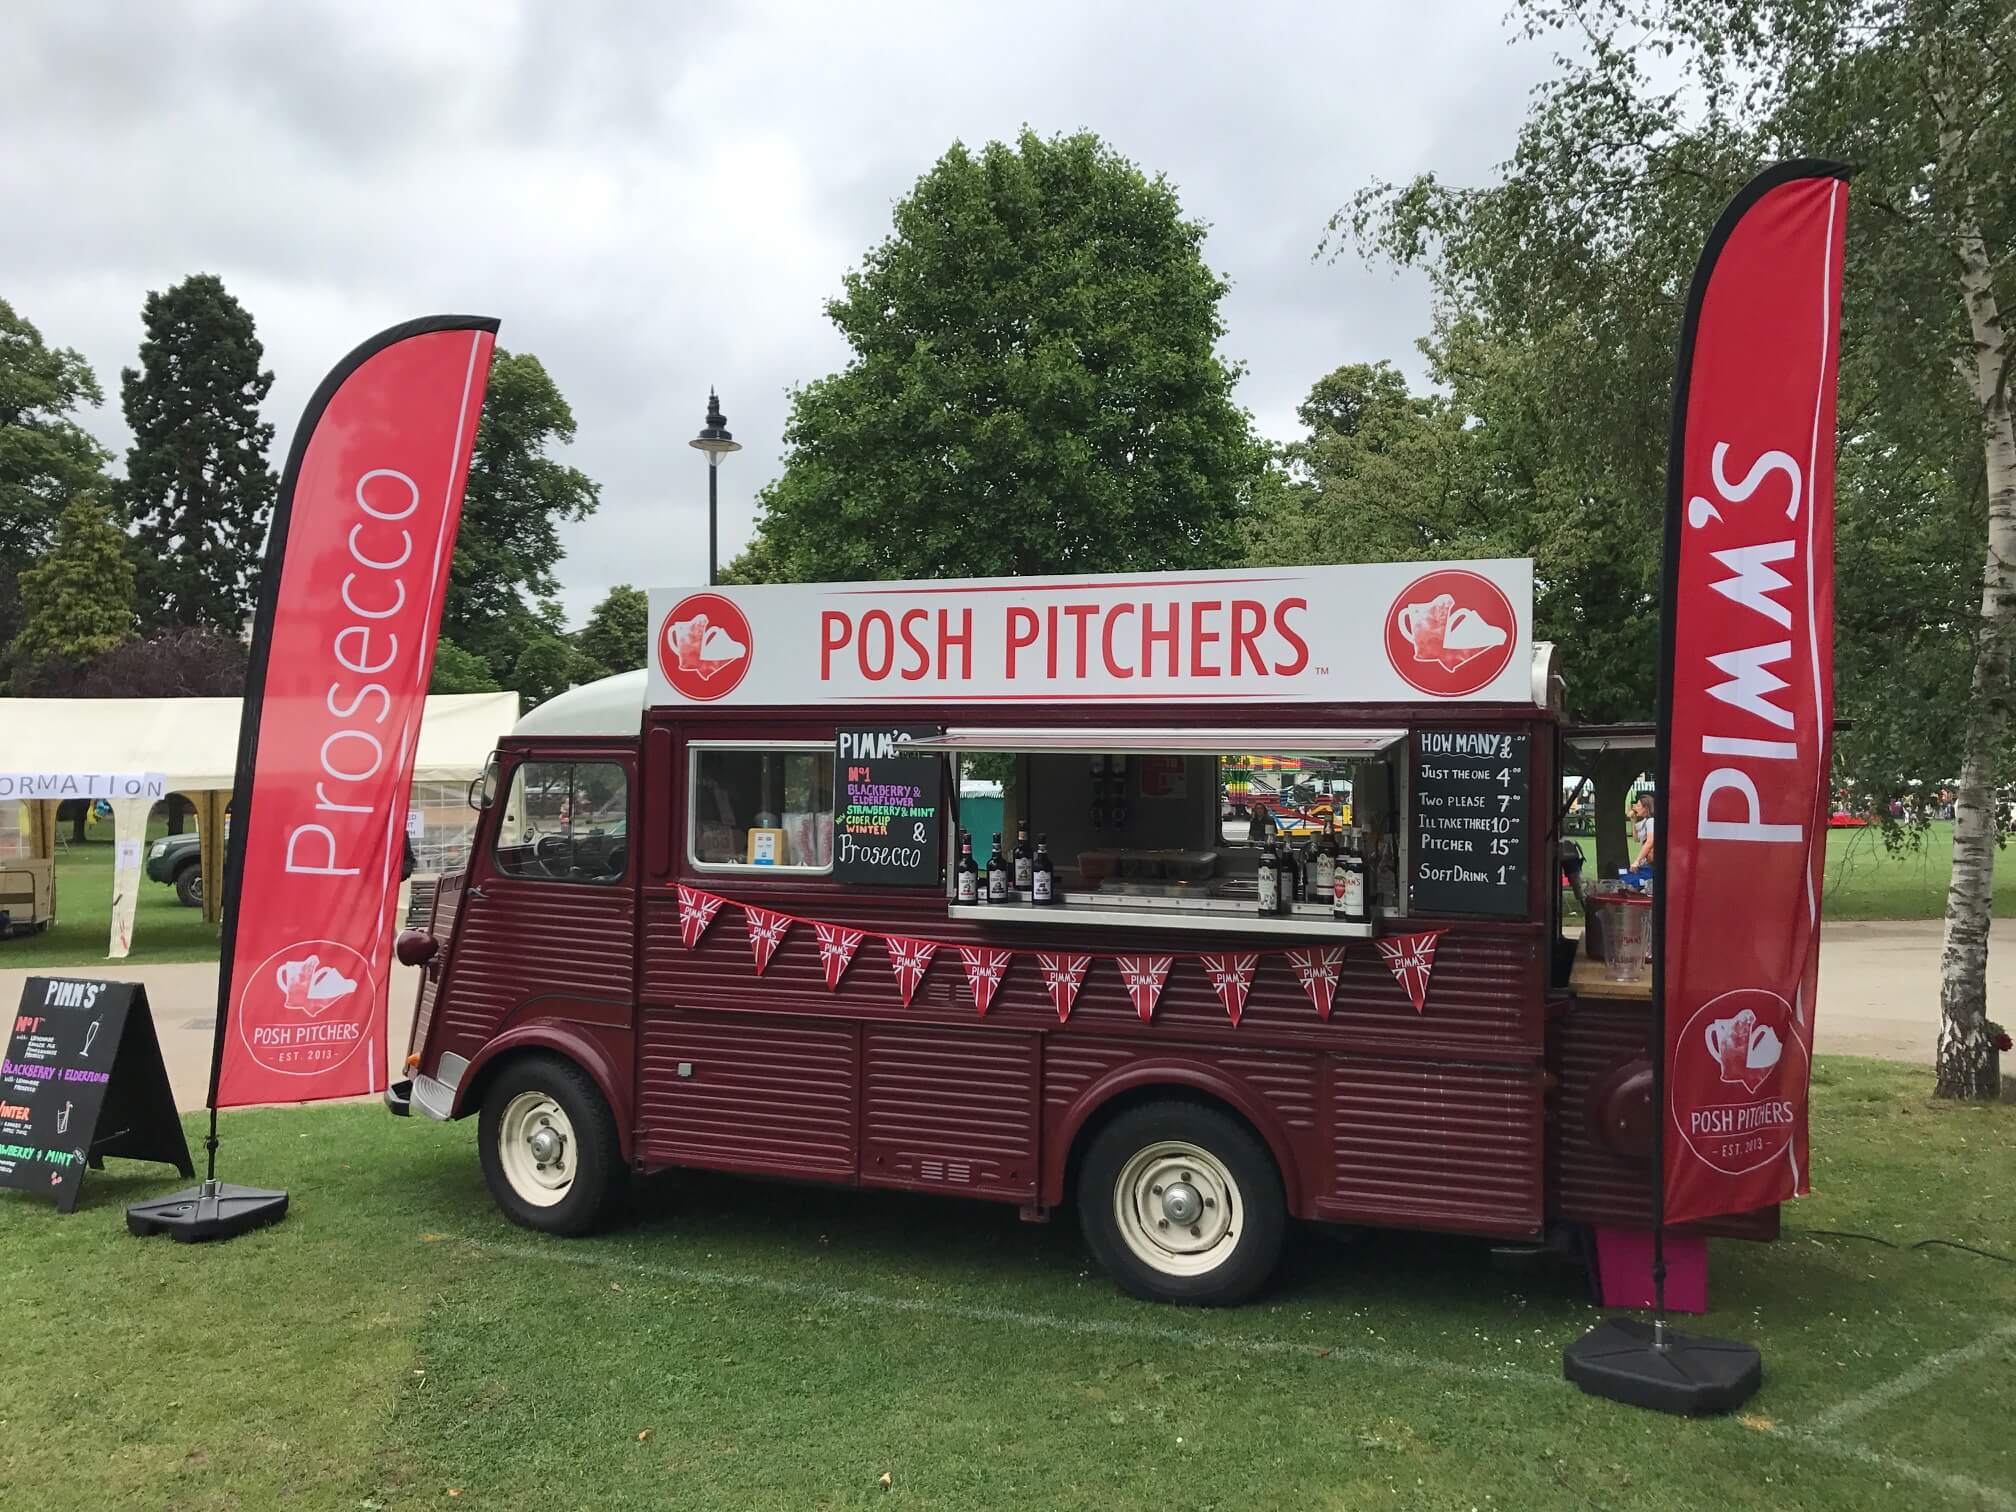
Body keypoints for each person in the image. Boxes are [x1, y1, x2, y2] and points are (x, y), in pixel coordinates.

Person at [1627, 792, 1656, 884]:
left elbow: (1650, 842)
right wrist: (1633, 820)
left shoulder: (1651, 821)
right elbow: (1636, 839)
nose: (1635, 808)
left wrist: (1637, 861)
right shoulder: (1645, 821)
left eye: (1638, 806)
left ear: (1646, 808)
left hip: (1651, 862)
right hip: (1646, 862)